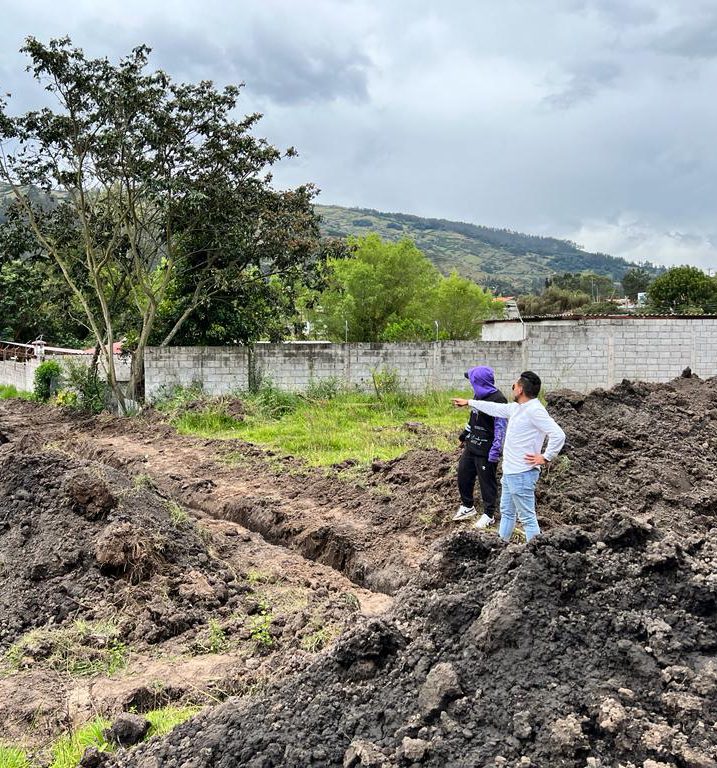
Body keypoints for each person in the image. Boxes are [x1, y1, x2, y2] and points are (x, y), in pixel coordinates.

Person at [452, 370, 565, 542]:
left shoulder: (535, 410)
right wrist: (469, 402)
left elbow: (558, 434)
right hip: (511, 473)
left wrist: (546, 456)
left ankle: (536, 556)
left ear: (520, 390)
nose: (512, 388)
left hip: (522, 474)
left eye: (514, 385)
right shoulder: (517, 408)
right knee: (507, 513)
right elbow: (495, 408)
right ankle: (500, 547)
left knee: (527, 518)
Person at [452, 366, 507, 529]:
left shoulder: (499, 399)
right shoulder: (478, 396)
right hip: (473, 444)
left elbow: (500, 428)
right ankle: (468, 506)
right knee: (463, 472)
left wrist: (496, 450)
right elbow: (473, 419)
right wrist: (465, 435)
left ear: (479, 382)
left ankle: (489, 514)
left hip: (487, 449)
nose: (471, 384)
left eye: (472, 380)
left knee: (486, 481)